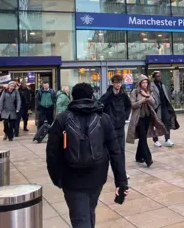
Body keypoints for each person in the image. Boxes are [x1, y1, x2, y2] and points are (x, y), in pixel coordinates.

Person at [46, 83, 129, 228]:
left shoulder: (61, 119)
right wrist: (121, 182)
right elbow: (116, 151)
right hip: (97, 178)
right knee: (88, 211)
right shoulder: (104, 118)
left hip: (71, 180)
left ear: (72, 97)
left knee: (81, 218)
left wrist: (57, 179)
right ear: (92, 97)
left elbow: (52, 153)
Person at [126, 75, 166, 168]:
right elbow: (132, 105)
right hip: (138, 118)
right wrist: (142, 100)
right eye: (143, 82)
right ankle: (148, 159)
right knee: (143, 138)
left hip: (147, 117)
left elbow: (155, 104)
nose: (145, 84)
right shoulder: (135, 92)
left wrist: (148, 97)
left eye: (146, 82)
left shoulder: (149, 92)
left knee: (142, 138)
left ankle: (139, 157)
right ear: (140, 83)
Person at [99, 75, 131, 168]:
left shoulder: (124, 95)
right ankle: (106, 169)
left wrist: (125, 116)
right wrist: (106, 119)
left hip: (120, 125)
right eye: (116, 82)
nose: (118, 84)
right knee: (109, 148)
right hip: (110, 126)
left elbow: (128, 106)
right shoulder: (107, 95)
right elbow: (100, 106)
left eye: (120, 82)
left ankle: (121, 170)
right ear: (113, 83)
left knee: (121, 149)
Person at [151, 71, 178, 147]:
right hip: (157, 108)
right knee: (156, 124)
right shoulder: (151, 86)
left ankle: (167, 139)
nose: (159, 77)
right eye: (157, 76)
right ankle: (156, 140)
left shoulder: (162, 85)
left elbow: (166, 96)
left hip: (165, 107)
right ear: (154, 78)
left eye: (160, 76)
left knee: (167, 123)